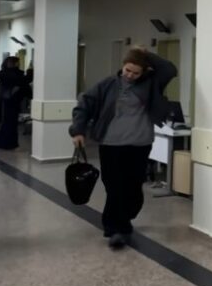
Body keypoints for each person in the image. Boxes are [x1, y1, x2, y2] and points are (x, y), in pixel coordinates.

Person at [69, 47, 177, 250]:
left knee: (134, 186)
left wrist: (146, 54)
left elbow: (170, 70)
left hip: (140, 143)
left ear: (144, 71)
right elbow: (84, 104)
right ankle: (116, 228)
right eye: (128, 70)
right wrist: (78, 130)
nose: (130, 76)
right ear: (122, 66)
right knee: (113, 186)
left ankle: (123, 219)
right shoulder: (108, 84)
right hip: (111, 144)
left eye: (136, 72)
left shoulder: (151, 83)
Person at [0, 57, 26, 150]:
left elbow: (21, 82)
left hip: (13, 100)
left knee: (12, 123)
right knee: (8, 122)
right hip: (8, 100)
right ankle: (6, 143)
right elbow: (17, 81)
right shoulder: (4, 73)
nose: (18, 64)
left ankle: (11, 143)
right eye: (16, 62)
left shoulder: (11, 72)